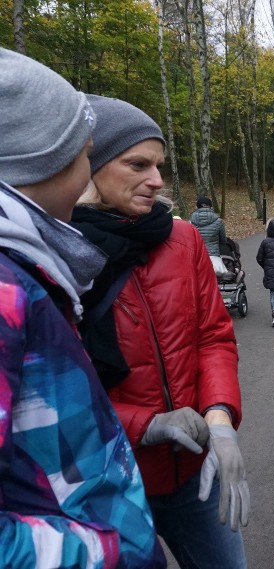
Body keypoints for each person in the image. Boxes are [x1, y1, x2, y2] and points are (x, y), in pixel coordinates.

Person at [0, 48, 165, 568]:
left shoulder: (35, 266)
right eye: (83, 152)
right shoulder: (9, 288)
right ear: (39, 157)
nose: (157, 181)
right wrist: (106, 550)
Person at [70, 94, 250, 569]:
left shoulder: (182, 237)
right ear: (90, 166)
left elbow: (212, 336)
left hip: (195, 472)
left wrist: (220, 420)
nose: (157, 181)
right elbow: (59, 385)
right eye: (138, 165)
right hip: (108, 481)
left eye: (159, 165)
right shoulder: (61, 251)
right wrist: (144, 424)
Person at [190, 195, 229, 275]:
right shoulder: (219, 221)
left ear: (197, 207)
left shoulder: (190, 223)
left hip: (196, 258)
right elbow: (223, 241)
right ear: (211, 207)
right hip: (214, 257)